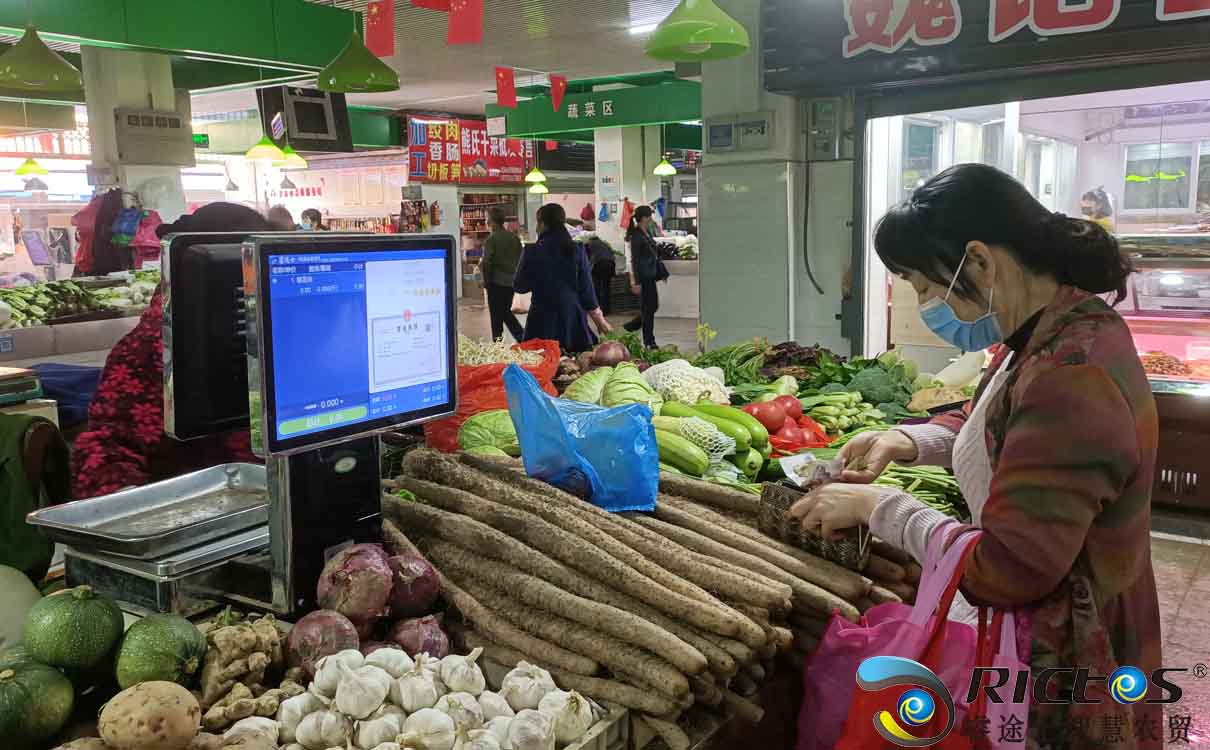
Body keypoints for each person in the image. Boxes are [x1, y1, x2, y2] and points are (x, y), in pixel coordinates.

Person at [789, 164, 1159, 748]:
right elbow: (1001, 428)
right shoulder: (1044, 331)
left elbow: (1007, 569)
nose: (926, 304)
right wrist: (908, 441)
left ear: (980, 261)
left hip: (1064, 650)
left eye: (925, 286)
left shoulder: (1071, 373)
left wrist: (880, 508)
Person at [72, 203, 274, 499]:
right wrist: (141, 514)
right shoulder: (151, 347)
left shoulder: (269, 325)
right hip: (206, 506)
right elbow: (109, 447)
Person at [513, 203, 611, 354]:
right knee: (576, 367)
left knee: (542, 364)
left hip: (541, 318)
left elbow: (519, 286)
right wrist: (600, 321)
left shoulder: (531, 252)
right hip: (572, 319)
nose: (536, 227)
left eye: (537, 223)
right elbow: (587, 290)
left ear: (543, 224)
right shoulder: (577, 250)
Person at [624, 205, 667, 349]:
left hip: (649, 276)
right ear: (643, 218)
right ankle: (649, 341)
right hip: (643, 277)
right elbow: (635, 260)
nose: (651, 219)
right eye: (649, 216)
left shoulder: (644, 232)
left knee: (652, 307)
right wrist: (635, 281)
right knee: (649, 308)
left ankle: (631, 328)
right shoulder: (637, 236)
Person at [480, 207, 525, 342]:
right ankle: (521, 338)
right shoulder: (514, 238)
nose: (486, 222)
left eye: (488, 219)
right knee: (504, 311)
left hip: (496, 283)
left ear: (493, 222)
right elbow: (521, 260)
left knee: (497, 315)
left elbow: (486, 263)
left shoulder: (491, 240)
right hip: (511, 283)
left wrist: (486, 281)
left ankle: (503, 342)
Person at [586, 234, 616, 316]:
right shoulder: (604, 244)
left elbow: (585, 258)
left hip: (599, 264)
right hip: (611, 264)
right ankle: (607, 310)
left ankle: (598, 309)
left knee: (597, 287)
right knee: (606, 287)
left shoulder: (589, 244)